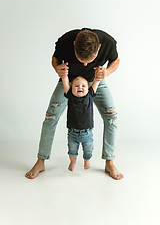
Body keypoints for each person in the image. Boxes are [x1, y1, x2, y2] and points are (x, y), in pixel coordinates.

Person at [25, 28, 124, 180]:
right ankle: (40, 161)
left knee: (111, 116)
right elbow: (55, 59)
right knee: (50, 117)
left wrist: (107, 72)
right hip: (69, 81)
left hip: (95, 80)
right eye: (81, 59)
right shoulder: (64, 41)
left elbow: (115, 61)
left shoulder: (108, 42)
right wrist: (57, 68)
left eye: (89, 61)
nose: (84, 64)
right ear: (74, 44)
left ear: (99, 47)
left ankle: (109, 162)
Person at [62, 75, 100, 171]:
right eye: (76, 86)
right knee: (72, 150)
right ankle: (72, 162)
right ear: (71, 88)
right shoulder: (70, 95)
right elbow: (65, 83)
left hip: (87, 132)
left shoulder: (90, 95)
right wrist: (64, 75)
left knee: (88, 149)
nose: (80, 87)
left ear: (88, 88)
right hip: (72, 132)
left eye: (83, 86)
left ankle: (86, 160)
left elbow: (96, 82)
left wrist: (98, 76)